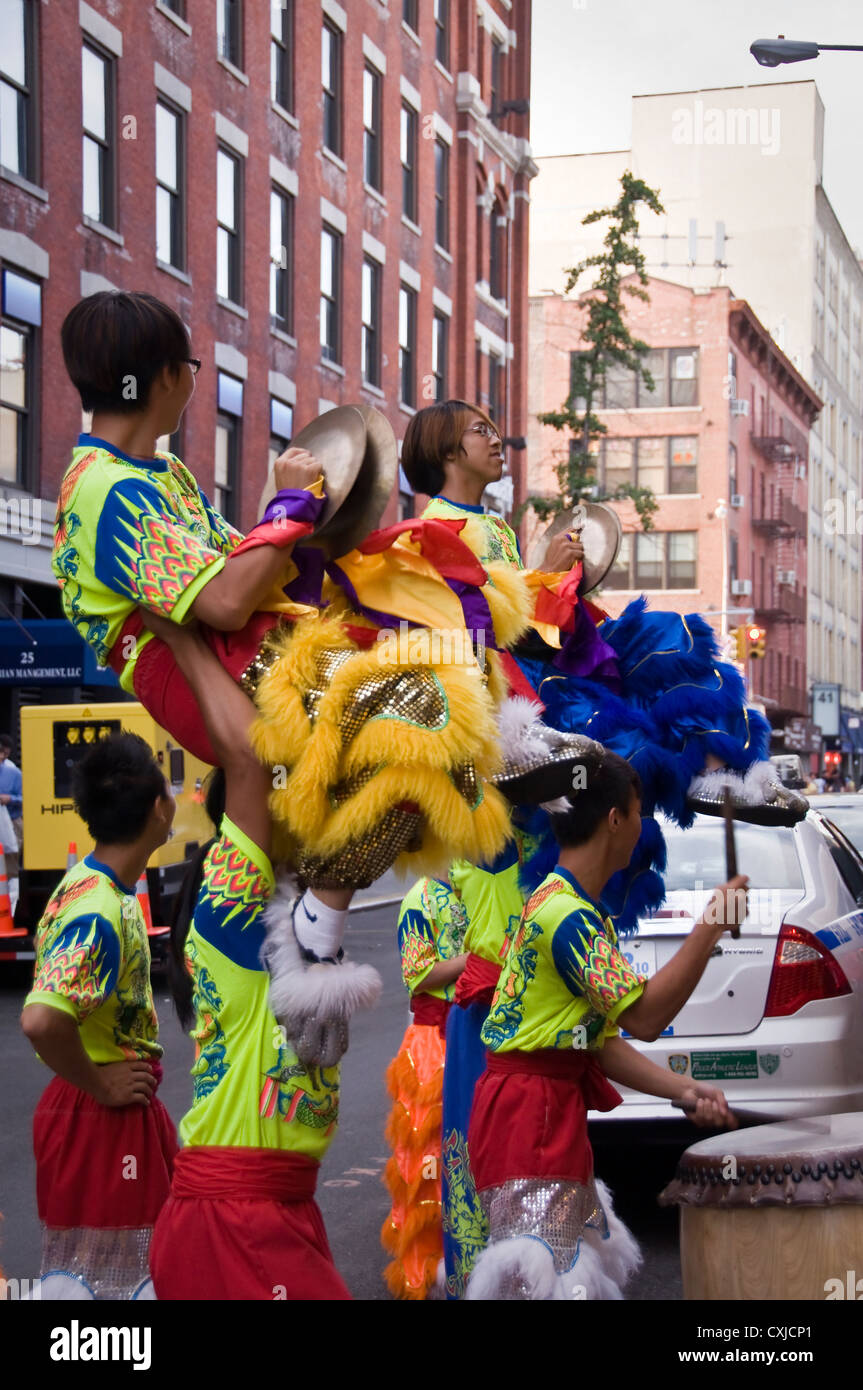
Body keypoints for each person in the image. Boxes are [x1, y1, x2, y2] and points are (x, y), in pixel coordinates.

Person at [55, 292, 537, 894]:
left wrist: (310, 527)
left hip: (237, 641)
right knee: (404, 708)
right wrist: (289, 509)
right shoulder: (105, 489)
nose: (193, 384)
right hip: (180, 659)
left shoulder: (163, 473)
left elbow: (241, 571)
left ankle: (321, 905)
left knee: (422, 681)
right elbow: (227, 598)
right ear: (169, 374)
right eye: (192, 368)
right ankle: (317, 916)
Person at [145, 609, 378, 1300]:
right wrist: (181, 630)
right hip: (231, 1216)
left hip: (274, 1208)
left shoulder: (301, 918)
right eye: (294, 797)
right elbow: (248, 758)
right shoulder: (229, 903)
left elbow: (349, 856)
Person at [465, 749, 743, 1300]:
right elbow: (643, 1017)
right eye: (639, 813)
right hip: (531, 1123)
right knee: (545, 1280)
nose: (643, 826)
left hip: (533, 1112)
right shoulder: (566, 917)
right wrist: (711, 924)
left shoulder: (566, 904)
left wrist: (684, 1091)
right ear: (615, 819)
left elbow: (598, 1045)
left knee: (555, 1276)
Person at [20, 732, 179, 1299]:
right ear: (159, 808)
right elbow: (41, 1020)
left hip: (96, 1112)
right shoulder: (98, 911)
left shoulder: (89, 886)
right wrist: (102, 1085)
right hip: (101, 1120)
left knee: (95, 1278)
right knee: (114, 1286)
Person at [381, 876, 468, 1299]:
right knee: (427, 1164)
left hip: (469, 1036)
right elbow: (419, 975)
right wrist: (478, 959)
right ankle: (424, 1273)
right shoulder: (420, 898)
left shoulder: (472, 889)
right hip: (432, 1044)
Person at [0, 734, 23, 876]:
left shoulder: (13, 773)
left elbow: (27, 798)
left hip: (12, 821)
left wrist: (11, 799)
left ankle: (13, 895)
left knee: (11, 860)